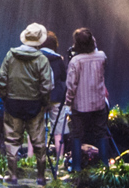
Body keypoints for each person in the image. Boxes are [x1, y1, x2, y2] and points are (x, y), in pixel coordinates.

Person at [0, 22, 53, 186]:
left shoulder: (10, 55)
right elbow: (47, 85)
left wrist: (5, 99)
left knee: (12, 140)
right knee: (38, 141)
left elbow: (1, 80)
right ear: (39, 41)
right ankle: (41, 177)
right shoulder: (42, 59)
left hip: (13, 103)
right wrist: (44, 103)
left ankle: (12, 175)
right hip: (34, 104)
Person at [65, 27, 108, 171]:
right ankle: (104, 166)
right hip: (98, 103)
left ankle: (76, 168)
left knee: (77, 135)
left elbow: (71, 85)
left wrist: (68, 103)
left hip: (80, 105)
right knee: (101, 133)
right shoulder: (102, 56)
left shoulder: (75, 61)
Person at [41, 31, 68, 159]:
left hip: (39, 97)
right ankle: (60, 159)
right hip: (57, 96)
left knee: (35, 129)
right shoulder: (58, 59)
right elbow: (64, 77)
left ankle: (31, 158)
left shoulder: (36, 57)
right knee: (58, 131)